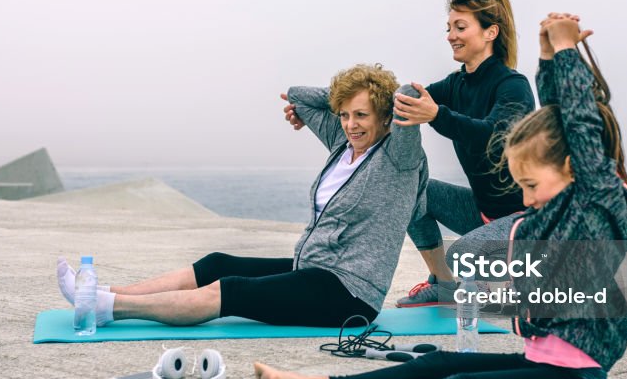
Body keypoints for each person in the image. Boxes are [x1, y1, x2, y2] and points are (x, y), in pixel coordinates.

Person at [254, 13, 627, 379]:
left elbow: (581, 125)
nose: (526, 198)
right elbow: (557, 116)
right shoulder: (560, 211)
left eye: (532, 184)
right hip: (543, 366)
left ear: (576, 170)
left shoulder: (596, 210)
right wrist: (548, 56)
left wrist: (567, 49)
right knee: (442, 363)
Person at [54, 63, 427, 328]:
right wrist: (345, 95)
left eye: (361, 114)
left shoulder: (398, 157)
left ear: (383, 114)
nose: (350, 124)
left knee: (232, 291)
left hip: (351, 294)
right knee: (218, 263)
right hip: (313, 270)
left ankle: (109, 308)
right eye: (344, 114)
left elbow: (406, 95)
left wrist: (378, 92)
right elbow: (298, 95)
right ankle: (103, 290)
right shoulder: (342, 144)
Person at [388, 0, 535, 308]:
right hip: (485, 215)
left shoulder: (512, 86)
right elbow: (401, 101)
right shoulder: (457, 84)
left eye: (460, 27)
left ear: (490, 32)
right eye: (449, 28)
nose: (451, 35)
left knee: (465, 256)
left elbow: (496, 134)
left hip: (528, 222)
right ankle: (443, 286)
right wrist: (328, 107)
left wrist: (437, 115)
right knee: (413, 190)